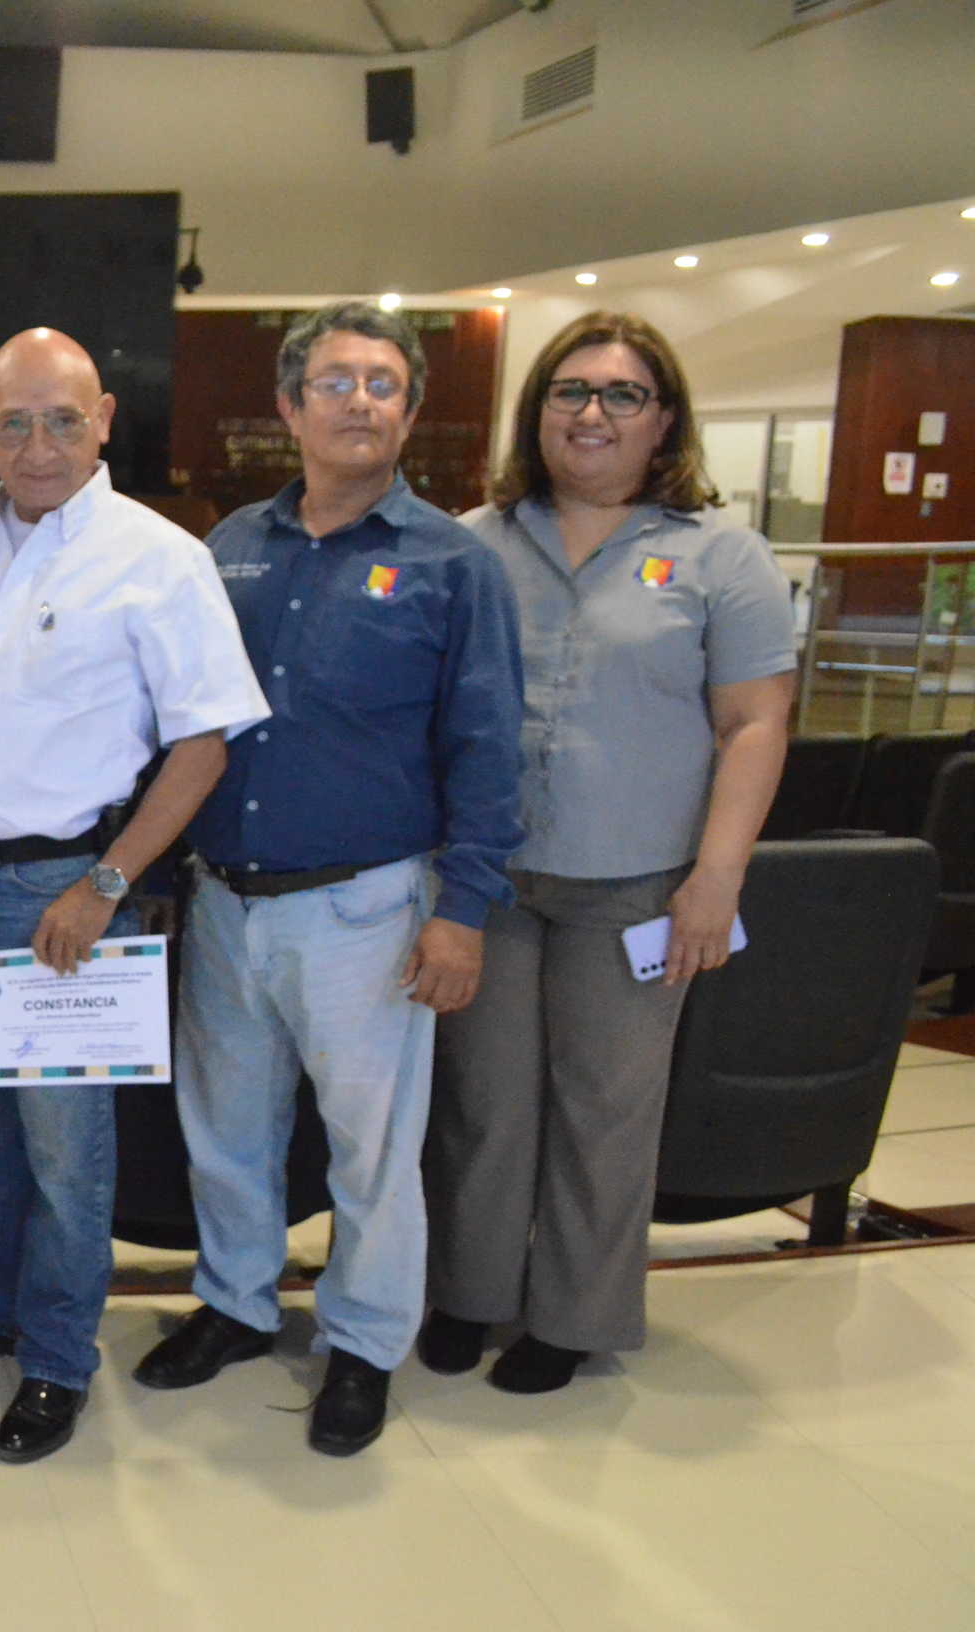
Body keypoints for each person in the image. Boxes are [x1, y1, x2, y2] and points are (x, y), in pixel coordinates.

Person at [136, 300, 524, 1456]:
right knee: (225, 1130)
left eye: (383, 384)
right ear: (289, 408)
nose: (359, 402)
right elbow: (180, 722)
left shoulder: (454, 563)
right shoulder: (228, 548)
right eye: (336, 383)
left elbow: (487, 749)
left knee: (370, 1149)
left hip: (367, 908)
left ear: (409, 409)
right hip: (222, 902)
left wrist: (463, 912)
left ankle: (360, 1346)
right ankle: (237, 1306)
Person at [0, 327, 269, 1464]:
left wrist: (107, 884)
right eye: (14, 421)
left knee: (65, 1153)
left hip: (62, 897)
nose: (38, 443)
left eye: (62, 419)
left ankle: (55, 1360)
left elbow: (204, 745)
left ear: (104, 417)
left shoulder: (157, 555)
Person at [423, 312, 794, 1393]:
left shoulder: (720, 555)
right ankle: (469, 1294)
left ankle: (573, 1317)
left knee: (604, 1110)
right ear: (535, 412)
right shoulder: (473, 541)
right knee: (481, 1105)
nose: (590, 414)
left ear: (662, 418)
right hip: (488, 883)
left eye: (619, 395)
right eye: (567, 391)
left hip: (637, 886)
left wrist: (713, 882)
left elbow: (754, 726)